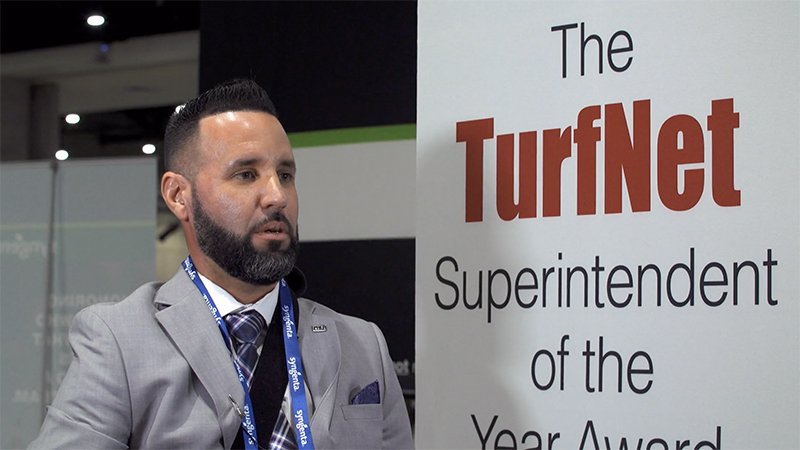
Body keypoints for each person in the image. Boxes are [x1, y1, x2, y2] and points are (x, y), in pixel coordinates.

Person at [29, 79, 414, 450]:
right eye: (246, 174)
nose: (277, 196)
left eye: (285, 175)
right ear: (178, 195)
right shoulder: (119, 340)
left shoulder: (362, 344)